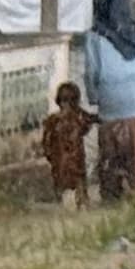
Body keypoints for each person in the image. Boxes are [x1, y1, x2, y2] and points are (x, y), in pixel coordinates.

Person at [78, 0, 135, 203]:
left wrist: (95, 99)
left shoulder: (94, 37)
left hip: (111, 105)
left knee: (110, 159)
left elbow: (91, 73)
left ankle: (112, 199)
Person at [38, 81, 95, 209]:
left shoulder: (52, 120)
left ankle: (62, 204)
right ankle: (83, 202)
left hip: (59, 161)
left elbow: (45, 141)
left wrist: (49, 154)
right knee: (80, 180)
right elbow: (88, 125)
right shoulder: (79, 117)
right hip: (76, 159)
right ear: (77, 100)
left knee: (60, 184)